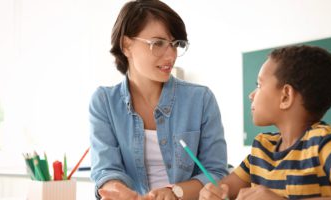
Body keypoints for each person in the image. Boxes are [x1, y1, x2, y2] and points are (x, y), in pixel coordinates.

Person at [89, 0, 228, 199]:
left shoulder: (201, 99)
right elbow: (106, 170)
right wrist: (117, 190)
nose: (171, 54)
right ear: (127, 45)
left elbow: (216, 173)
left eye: (175, 44)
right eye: (158, 43)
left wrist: (174, 192)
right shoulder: (104, 102)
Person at [199, 45, 331, 200]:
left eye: (259, 84)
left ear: (285, 96)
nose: (251, 95)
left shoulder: (324, 143)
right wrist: (212, 192)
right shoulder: (261, 148)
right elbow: (224, 188)